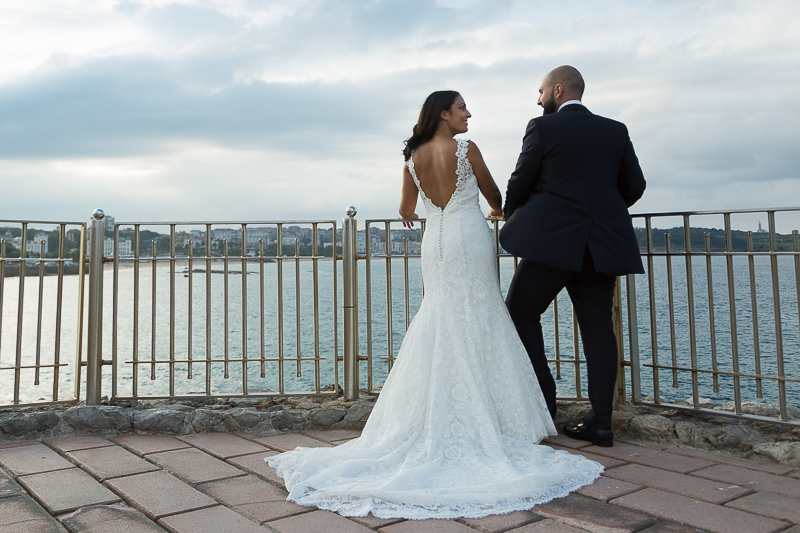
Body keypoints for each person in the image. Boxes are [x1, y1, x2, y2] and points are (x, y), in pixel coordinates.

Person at [266, 90, 602, 520]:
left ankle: (430, 414)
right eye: (462, 108)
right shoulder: (466, 149)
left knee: (439, 315)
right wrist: (497, 210)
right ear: (443, 114)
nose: (468, 114)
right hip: (469, 235)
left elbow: (406, 209)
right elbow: (494, 193)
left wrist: (425, 209)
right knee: (480, 314)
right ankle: (496, 417)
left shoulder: (413, 157)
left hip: (435, 242)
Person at [501, 66, 646, 448]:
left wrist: (513, 214)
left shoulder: (542, 127)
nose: (538, 99)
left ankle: (544, 402)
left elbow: (520, 180)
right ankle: (601, 423)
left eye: (541, 91)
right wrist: (600, 212)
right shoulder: (615, 130)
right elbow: (635, 186)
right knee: (599, 329)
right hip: (602, 246)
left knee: (519, 310)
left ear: (558, 90)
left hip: (550, 245)